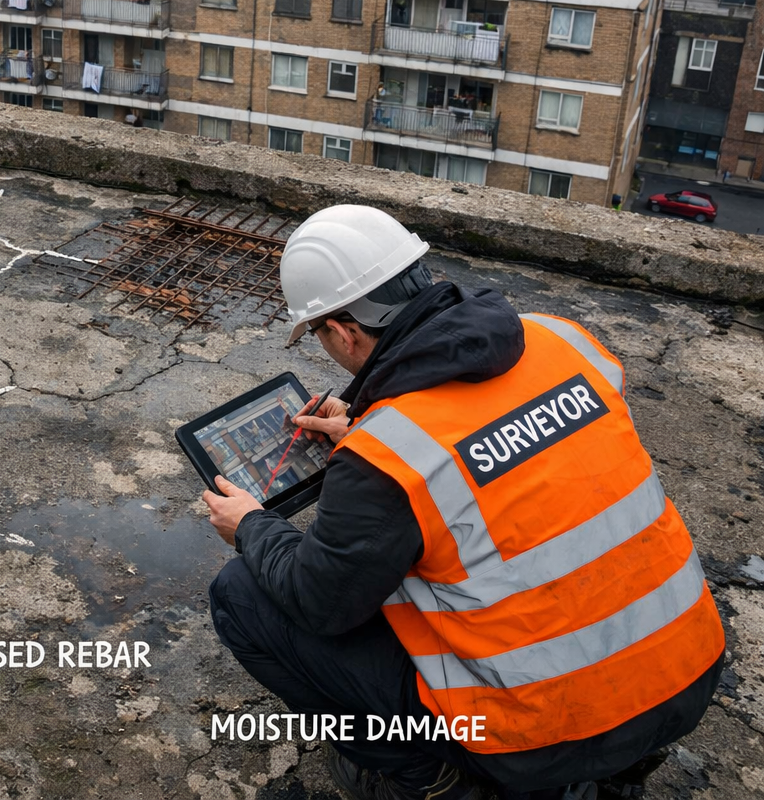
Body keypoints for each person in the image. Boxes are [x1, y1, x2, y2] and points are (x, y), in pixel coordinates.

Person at [202, 205, 723, 800]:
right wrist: (372, 428)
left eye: (319, 333)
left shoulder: (388, 459)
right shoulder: (564, 340)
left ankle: (434, 781)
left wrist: (251, 526)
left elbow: (321, 604)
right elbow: (521, 456)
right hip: (687, 677)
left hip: (540, 740)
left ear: (343, 330)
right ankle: (624, 768)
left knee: (243, 594)